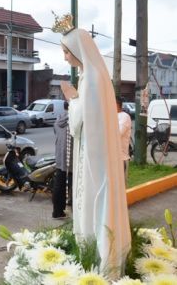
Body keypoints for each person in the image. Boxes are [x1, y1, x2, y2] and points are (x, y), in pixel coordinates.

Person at [55, 14, 131, 279]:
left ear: (77, 49)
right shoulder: (92, 76)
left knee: (92, 204)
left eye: (66, 51)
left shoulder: (92, 79)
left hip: (94, 159)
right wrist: (76, 99)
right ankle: (89, 254)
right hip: (91, 153)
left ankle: (99, 263)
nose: (65, 57)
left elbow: (81, 121)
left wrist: (72, 99)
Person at [51, 101, 73, 219]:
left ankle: (57, 212)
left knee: (59, 184)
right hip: (71, 158)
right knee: (73, 186)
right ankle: (76, 213)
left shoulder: (58, 120)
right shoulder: (74, 120)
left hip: (59, 156)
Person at [117, 96, 132, 187]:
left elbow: (118, 133)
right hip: (110, 158)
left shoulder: (125, 117)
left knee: (120, 187)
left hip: (121, 158)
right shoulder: (109, 115)